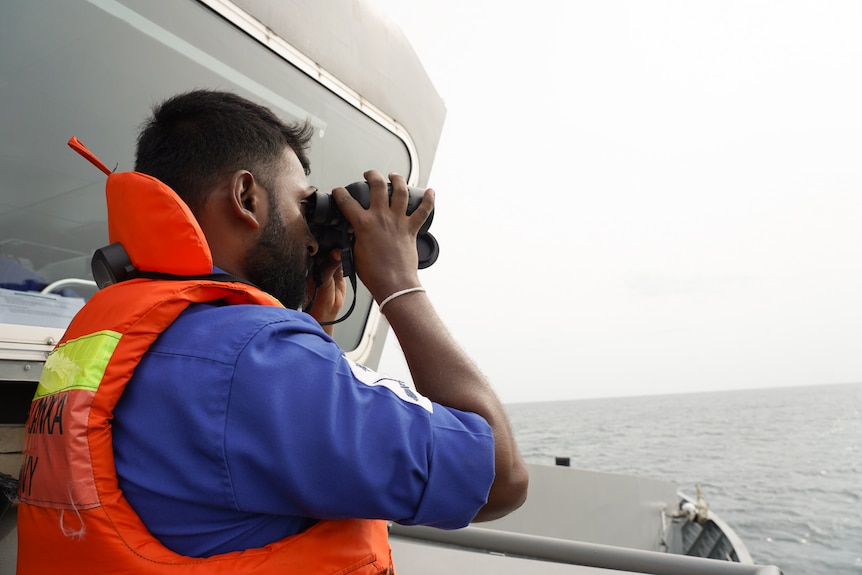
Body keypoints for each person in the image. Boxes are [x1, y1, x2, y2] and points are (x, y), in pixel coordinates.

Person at [16, 90, 527, 573]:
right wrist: (397, 283)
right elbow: (499, 480)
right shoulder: (250, 357)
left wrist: (312, 327)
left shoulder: (123, 329)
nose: (309, 239)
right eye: (301, 204)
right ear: (246, 197)